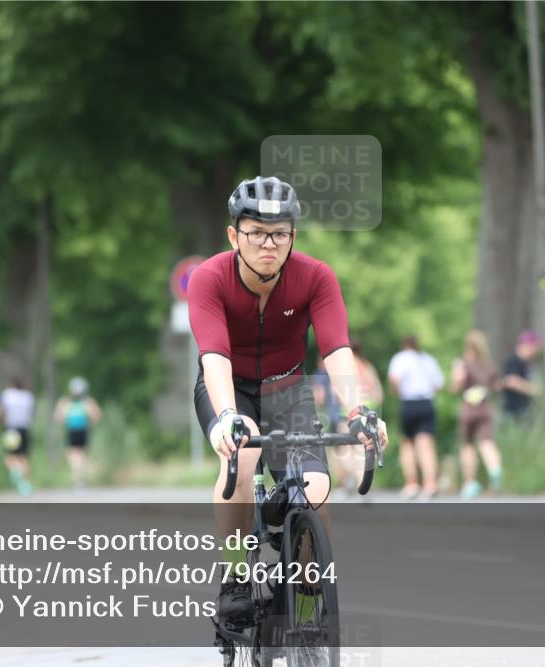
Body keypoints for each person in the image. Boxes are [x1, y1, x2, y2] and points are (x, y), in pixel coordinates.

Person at [187, 175, 388, 623]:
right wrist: (225, 417)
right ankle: (236, 577)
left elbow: (336, 349)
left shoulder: (315, 277)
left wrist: (357, 413)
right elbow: (214, 355)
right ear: (233, 235)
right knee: (238, 460)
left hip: (287, 387)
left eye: (279, 233)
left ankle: (306, 604)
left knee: (316, 490)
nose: (268, 244)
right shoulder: (209, 279)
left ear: (293, 236)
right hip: (228, 387)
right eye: (256, 232)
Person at [388, 336, 443, 501]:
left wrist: (396, 391)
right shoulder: (427, 359)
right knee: (426, 444)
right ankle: (430, 483)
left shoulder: (400, 358)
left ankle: (411, 483)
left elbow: (394, 379)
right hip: (426, 402)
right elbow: (438, 384)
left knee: (408, 443)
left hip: (409, 403)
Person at [450, 331, 503, 500]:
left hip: (469, 409)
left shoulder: (463, 364)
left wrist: (456, 376)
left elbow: (456, 386)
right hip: (486, 408)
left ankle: (470, 482)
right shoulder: (489, 365)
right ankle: (495, 470)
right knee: (487, 442)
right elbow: (497, 386)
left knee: (467, 445)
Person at [330, 340, 383, 497]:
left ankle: (350, 481)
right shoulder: (368, 367)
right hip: (367, 411)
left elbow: (337, 392)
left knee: (344, 449)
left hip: (347, 412)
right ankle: (362, 485)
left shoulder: (346, 367)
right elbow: (379, 394)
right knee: (362, 449)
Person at [54, 376, 102, 489]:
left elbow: (58, 418)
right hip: (84, 430)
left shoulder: (66, 402)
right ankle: (81, 479)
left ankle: (77, 478)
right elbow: (97, 416)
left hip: (72, 431)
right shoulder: (88, 402)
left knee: (73, 455)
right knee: (82, 455)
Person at [0, 379, 36, 495]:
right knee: (24, 457)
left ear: (11, 386)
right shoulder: (28, 396)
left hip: (11, 429)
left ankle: (15, 471)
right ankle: (26, 485)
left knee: (9, 456)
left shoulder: (6, 395)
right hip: (24, 428)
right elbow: (32, 413)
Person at [501, 330, 543, 422]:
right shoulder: (513, 360)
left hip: (524, 408)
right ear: (528, 346)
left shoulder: (526, 363)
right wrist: (532, 389)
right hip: (512, 410)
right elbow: (511, 381)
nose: (536, 352)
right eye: (535, 348)